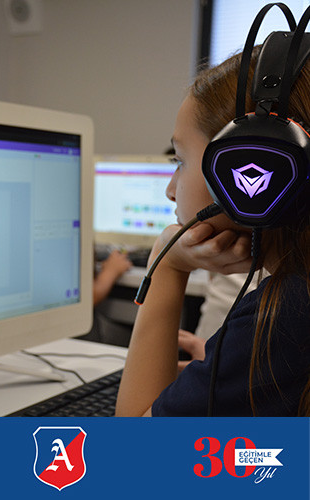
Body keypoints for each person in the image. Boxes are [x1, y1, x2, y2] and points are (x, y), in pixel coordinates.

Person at [115, 46, 310, 417]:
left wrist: (167, 262)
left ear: (252, 166)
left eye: (180, 161)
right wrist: (223, 371)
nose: (170, 190)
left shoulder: (287, 314)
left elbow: (133, 442)